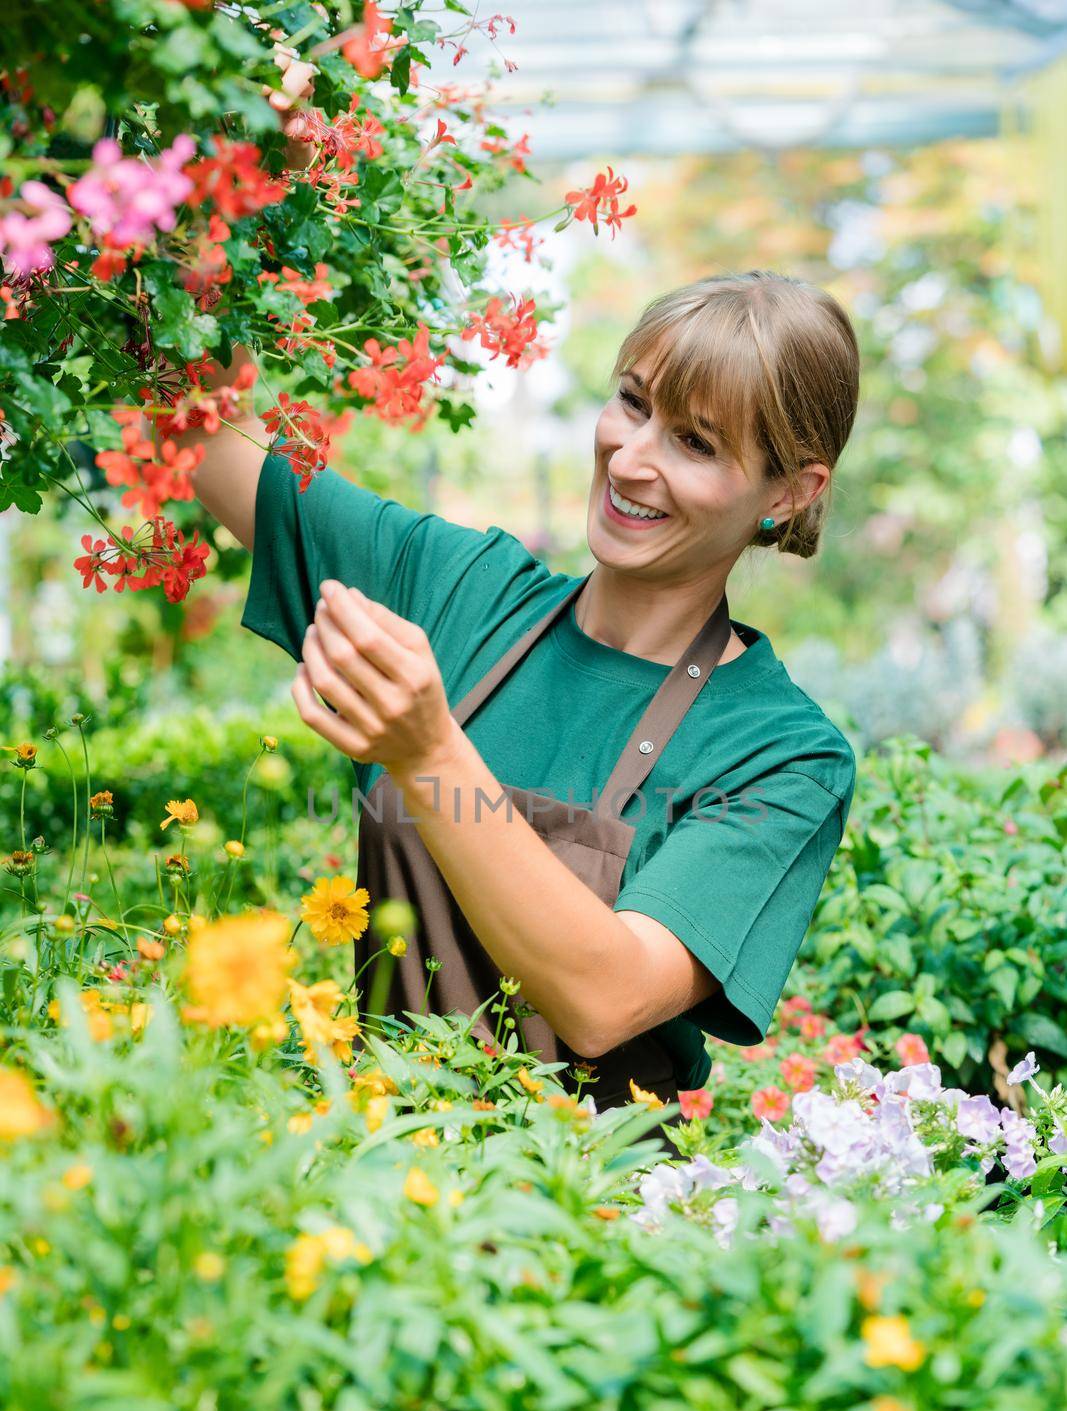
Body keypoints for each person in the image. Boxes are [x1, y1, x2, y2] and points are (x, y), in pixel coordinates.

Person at [183, 269, 860, 1109]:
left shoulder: (780, 754)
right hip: (375, 1179)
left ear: (791, 491)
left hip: (586, 1215)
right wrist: (213, 200)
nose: (631, 456)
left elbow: (604, 998)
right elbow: (199, 428)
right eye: (633, 402)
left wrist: (428, 752)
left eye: (696, 444)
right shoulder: (457, 591)